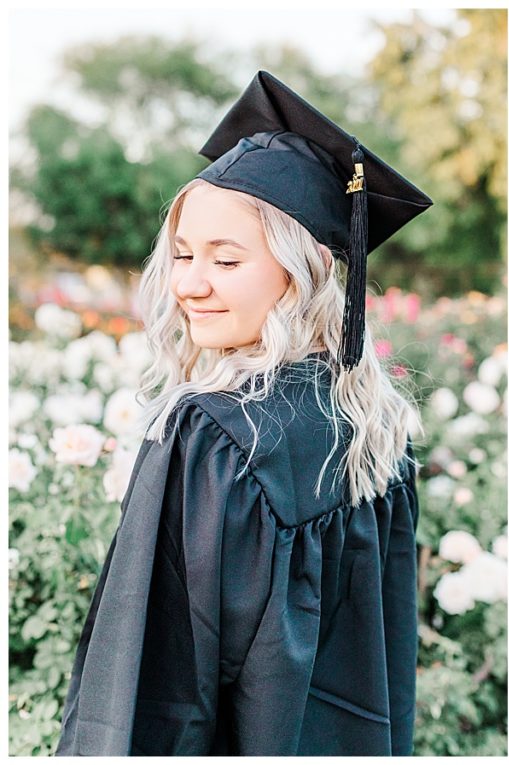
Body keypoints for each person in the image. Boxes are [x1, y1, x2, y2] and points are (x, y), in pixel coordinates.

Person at [56, 71, 432, 756]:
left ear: (307, 268)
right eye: (182, 254)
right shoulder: (376, 437)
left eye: (226, 260)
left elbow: (157, 690)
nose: (190, 284)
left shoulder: (212, 438)